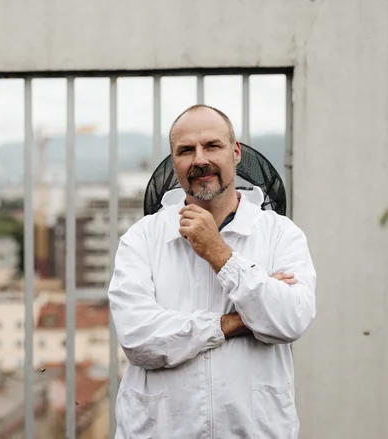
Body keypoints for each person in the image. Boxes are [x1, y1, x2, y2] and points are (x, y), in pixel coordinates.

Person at [108, 104, 316, 438]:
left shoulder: (281, 234)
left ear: (235, 153)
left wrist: (218, 253)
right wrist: (239, 321)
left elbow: (291, 319)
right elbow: (138, 339)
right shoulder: (142, 238)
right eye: (186, 150)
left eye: (212, 146)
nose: (199, 159)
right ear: (174, 162)